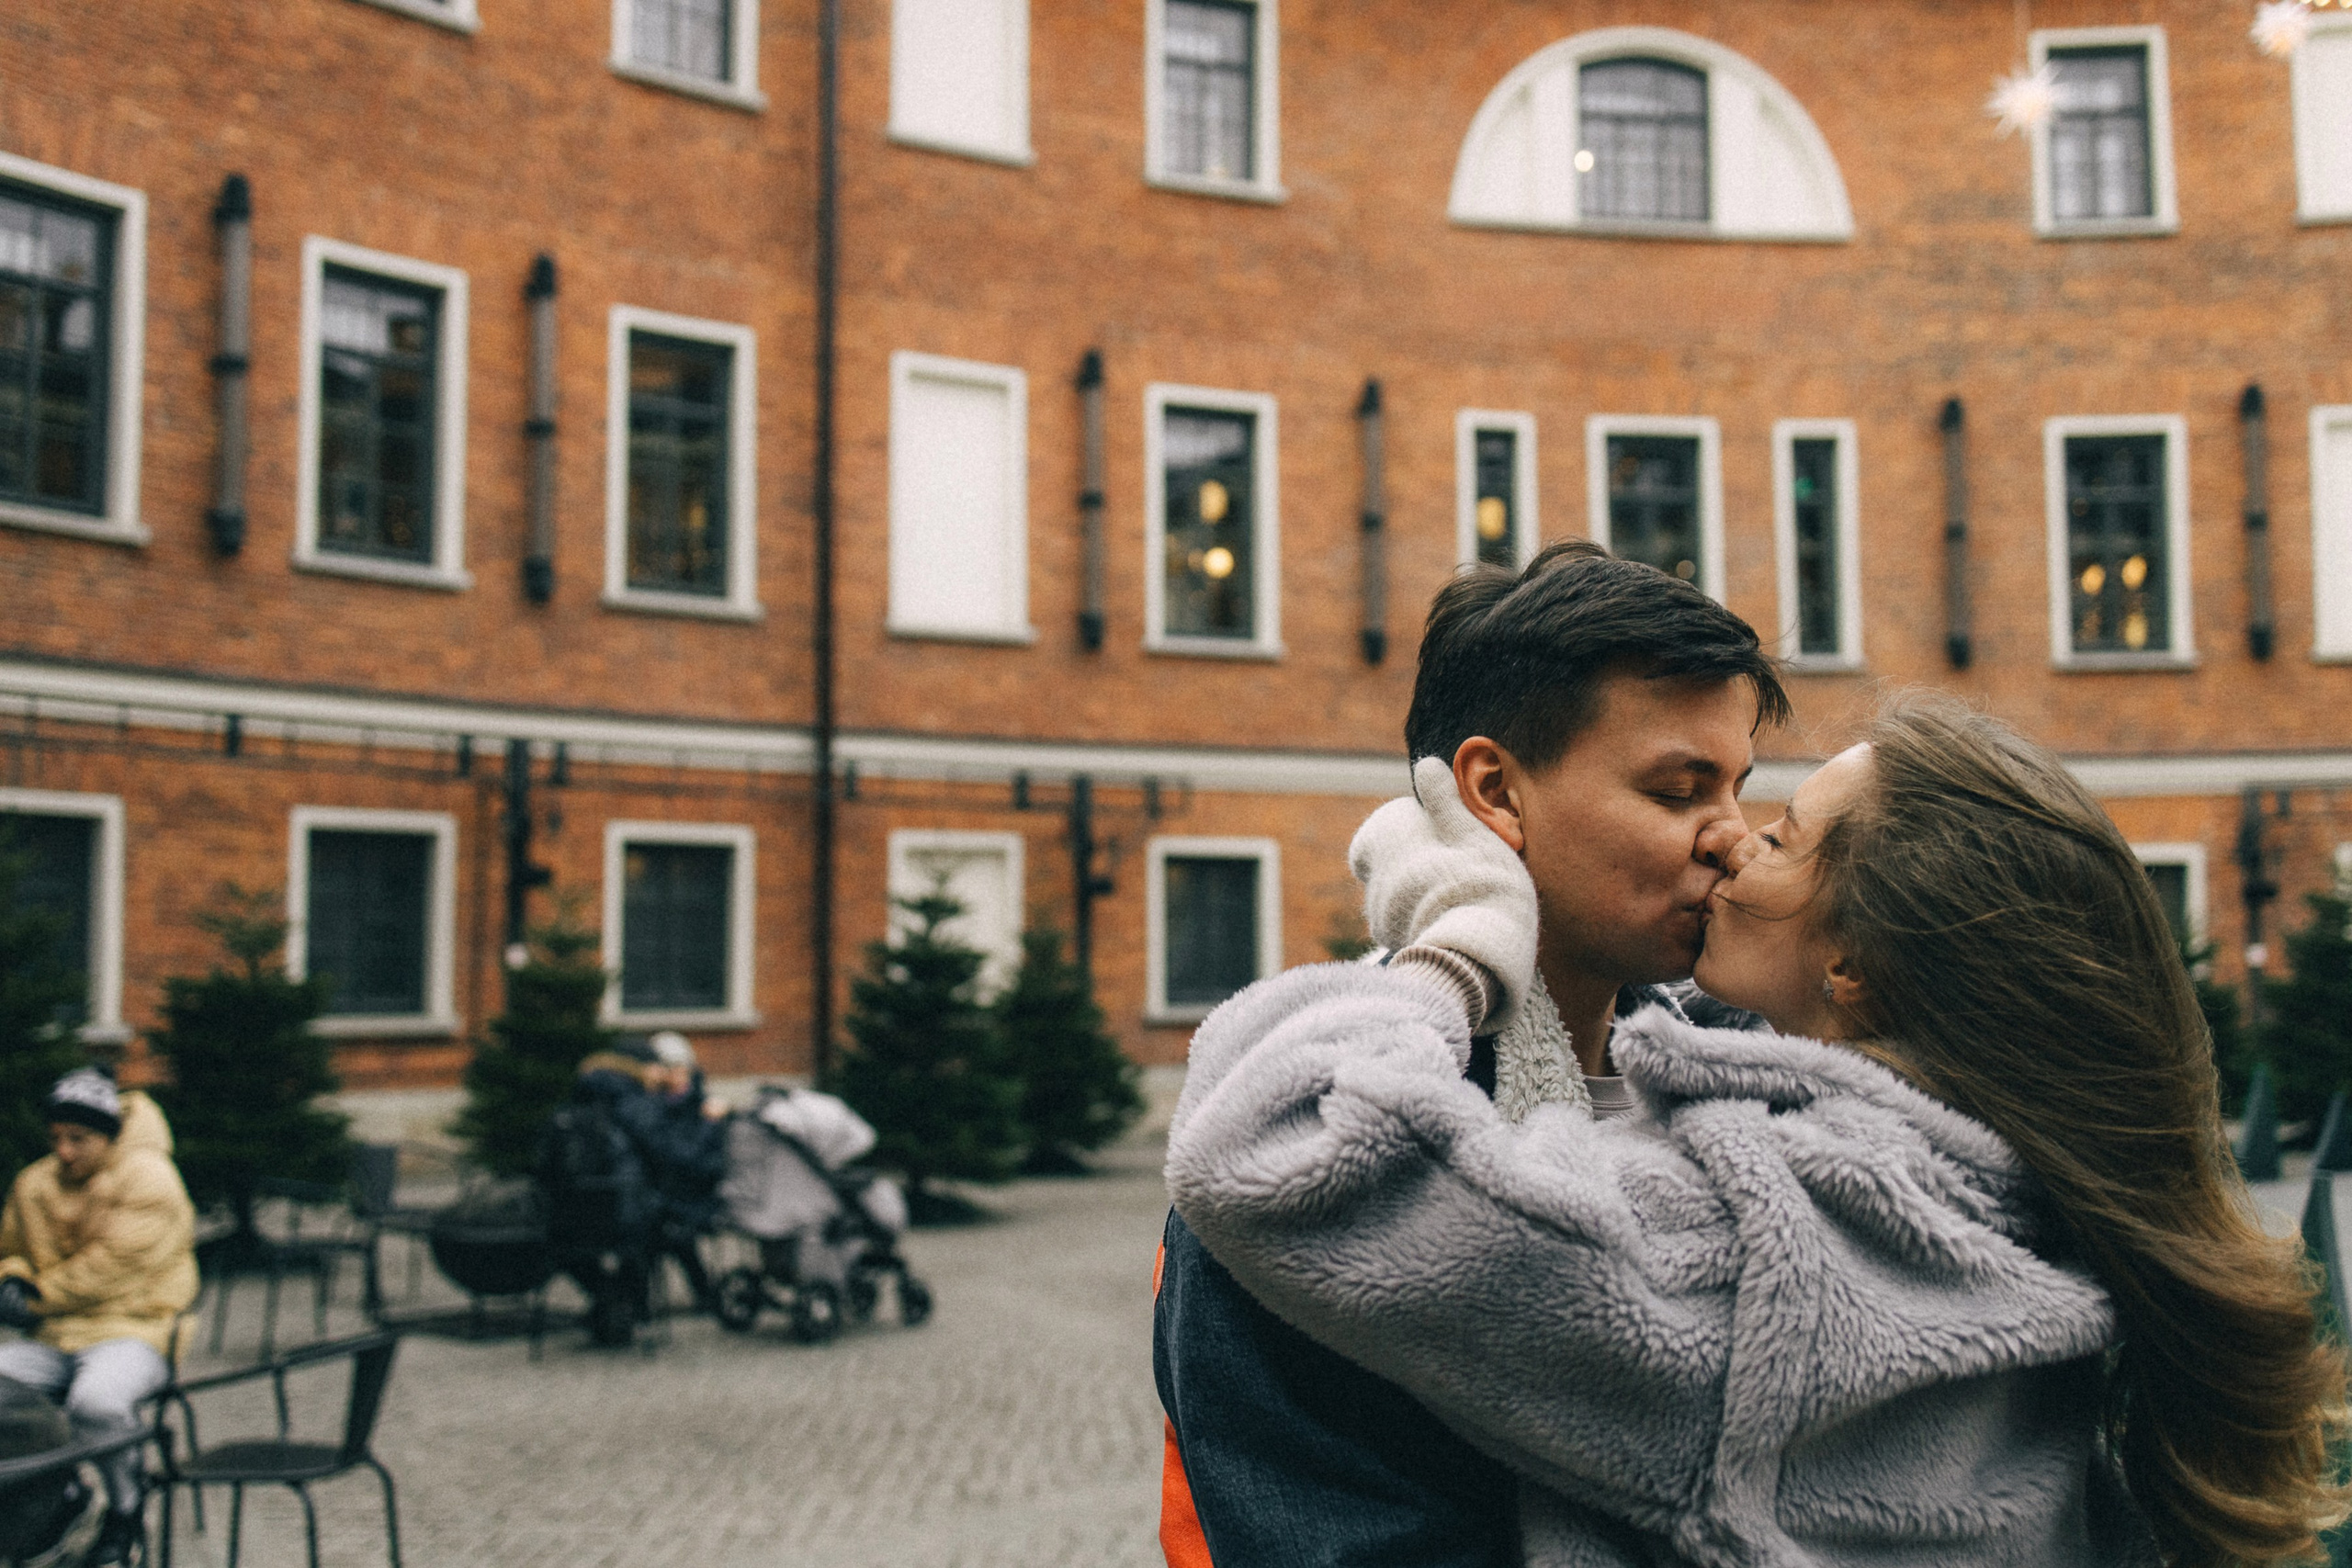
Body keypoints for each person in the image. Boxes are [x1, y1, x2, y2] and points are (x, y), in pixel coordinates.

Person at [1169, 693, 2349, 1567]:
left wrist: (1454, 940)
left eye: (1781, 836)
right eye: (1695, 798)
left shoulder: (1773, 1252)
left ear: (1855, 969)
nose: (1732, 840)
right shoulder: (2014, 1194)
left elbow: (1275, 1145)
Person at [1154, 541, 1788, 1566]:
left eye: (1737, 789)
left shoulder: (1752, 1083)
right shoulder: (1320, 1148)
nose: (1734, 838)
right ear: (1494, 792)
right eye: (1679, 792)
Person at [0, 1068, 198, 1567]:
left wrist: (36, 1295)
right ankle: (57, 1499)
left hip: (135, 1329)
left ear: (110, 1136)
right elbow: (11, 1249)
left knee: (97, 1402)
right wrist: (11, 1279)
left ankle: (126, 1511)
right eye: (56, 1138)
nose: (64, 1151)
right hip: (56, 1336)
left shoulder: (150, 1177)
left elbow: (109, 1269)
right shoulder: (34, 1182)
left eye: (79, 1138)